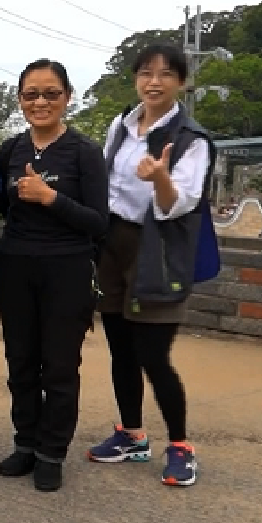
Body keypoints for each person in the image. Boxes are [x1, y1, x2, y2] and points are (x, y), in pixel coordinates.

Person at [87, 44, 213, 487]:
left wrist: (160, 177)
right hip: (114, 245)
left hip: (157, 249)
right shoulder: (120, 126)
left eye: (164, 74)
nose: (153, 82)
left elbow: (179, 205)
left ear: (180, 81)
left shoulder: (191, 140)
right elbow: (106, 185)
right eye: (145, 73)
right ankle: (131, 434)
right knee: (121, 349)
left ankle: (180, 446)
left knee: (153, 356)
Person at [0, 59, 109, 492]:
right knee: (20, 362)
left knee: (59, 366)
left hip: (68, 268)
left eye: (50, 93)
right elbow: (4, 209)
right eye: (31, 94)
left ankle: (51, 451)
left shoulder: (84, 152)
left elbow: (99, 222)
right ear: (20, 100)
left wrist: (50, 197)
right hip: (15, 265)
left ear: (67, 97)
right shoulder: (11, 149)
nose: (40, 102)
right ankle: (24, 443)